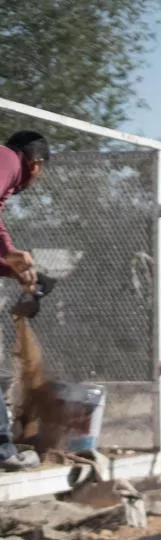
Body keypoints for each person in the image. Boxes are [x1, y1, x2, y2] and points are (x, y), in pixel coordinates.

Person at [0, 130, 50, 472]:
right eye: (42, 168)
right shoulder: (6, 159)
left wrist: (11, 266)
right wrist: (10, 255)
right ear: (36, 163)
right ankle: (3, 452)